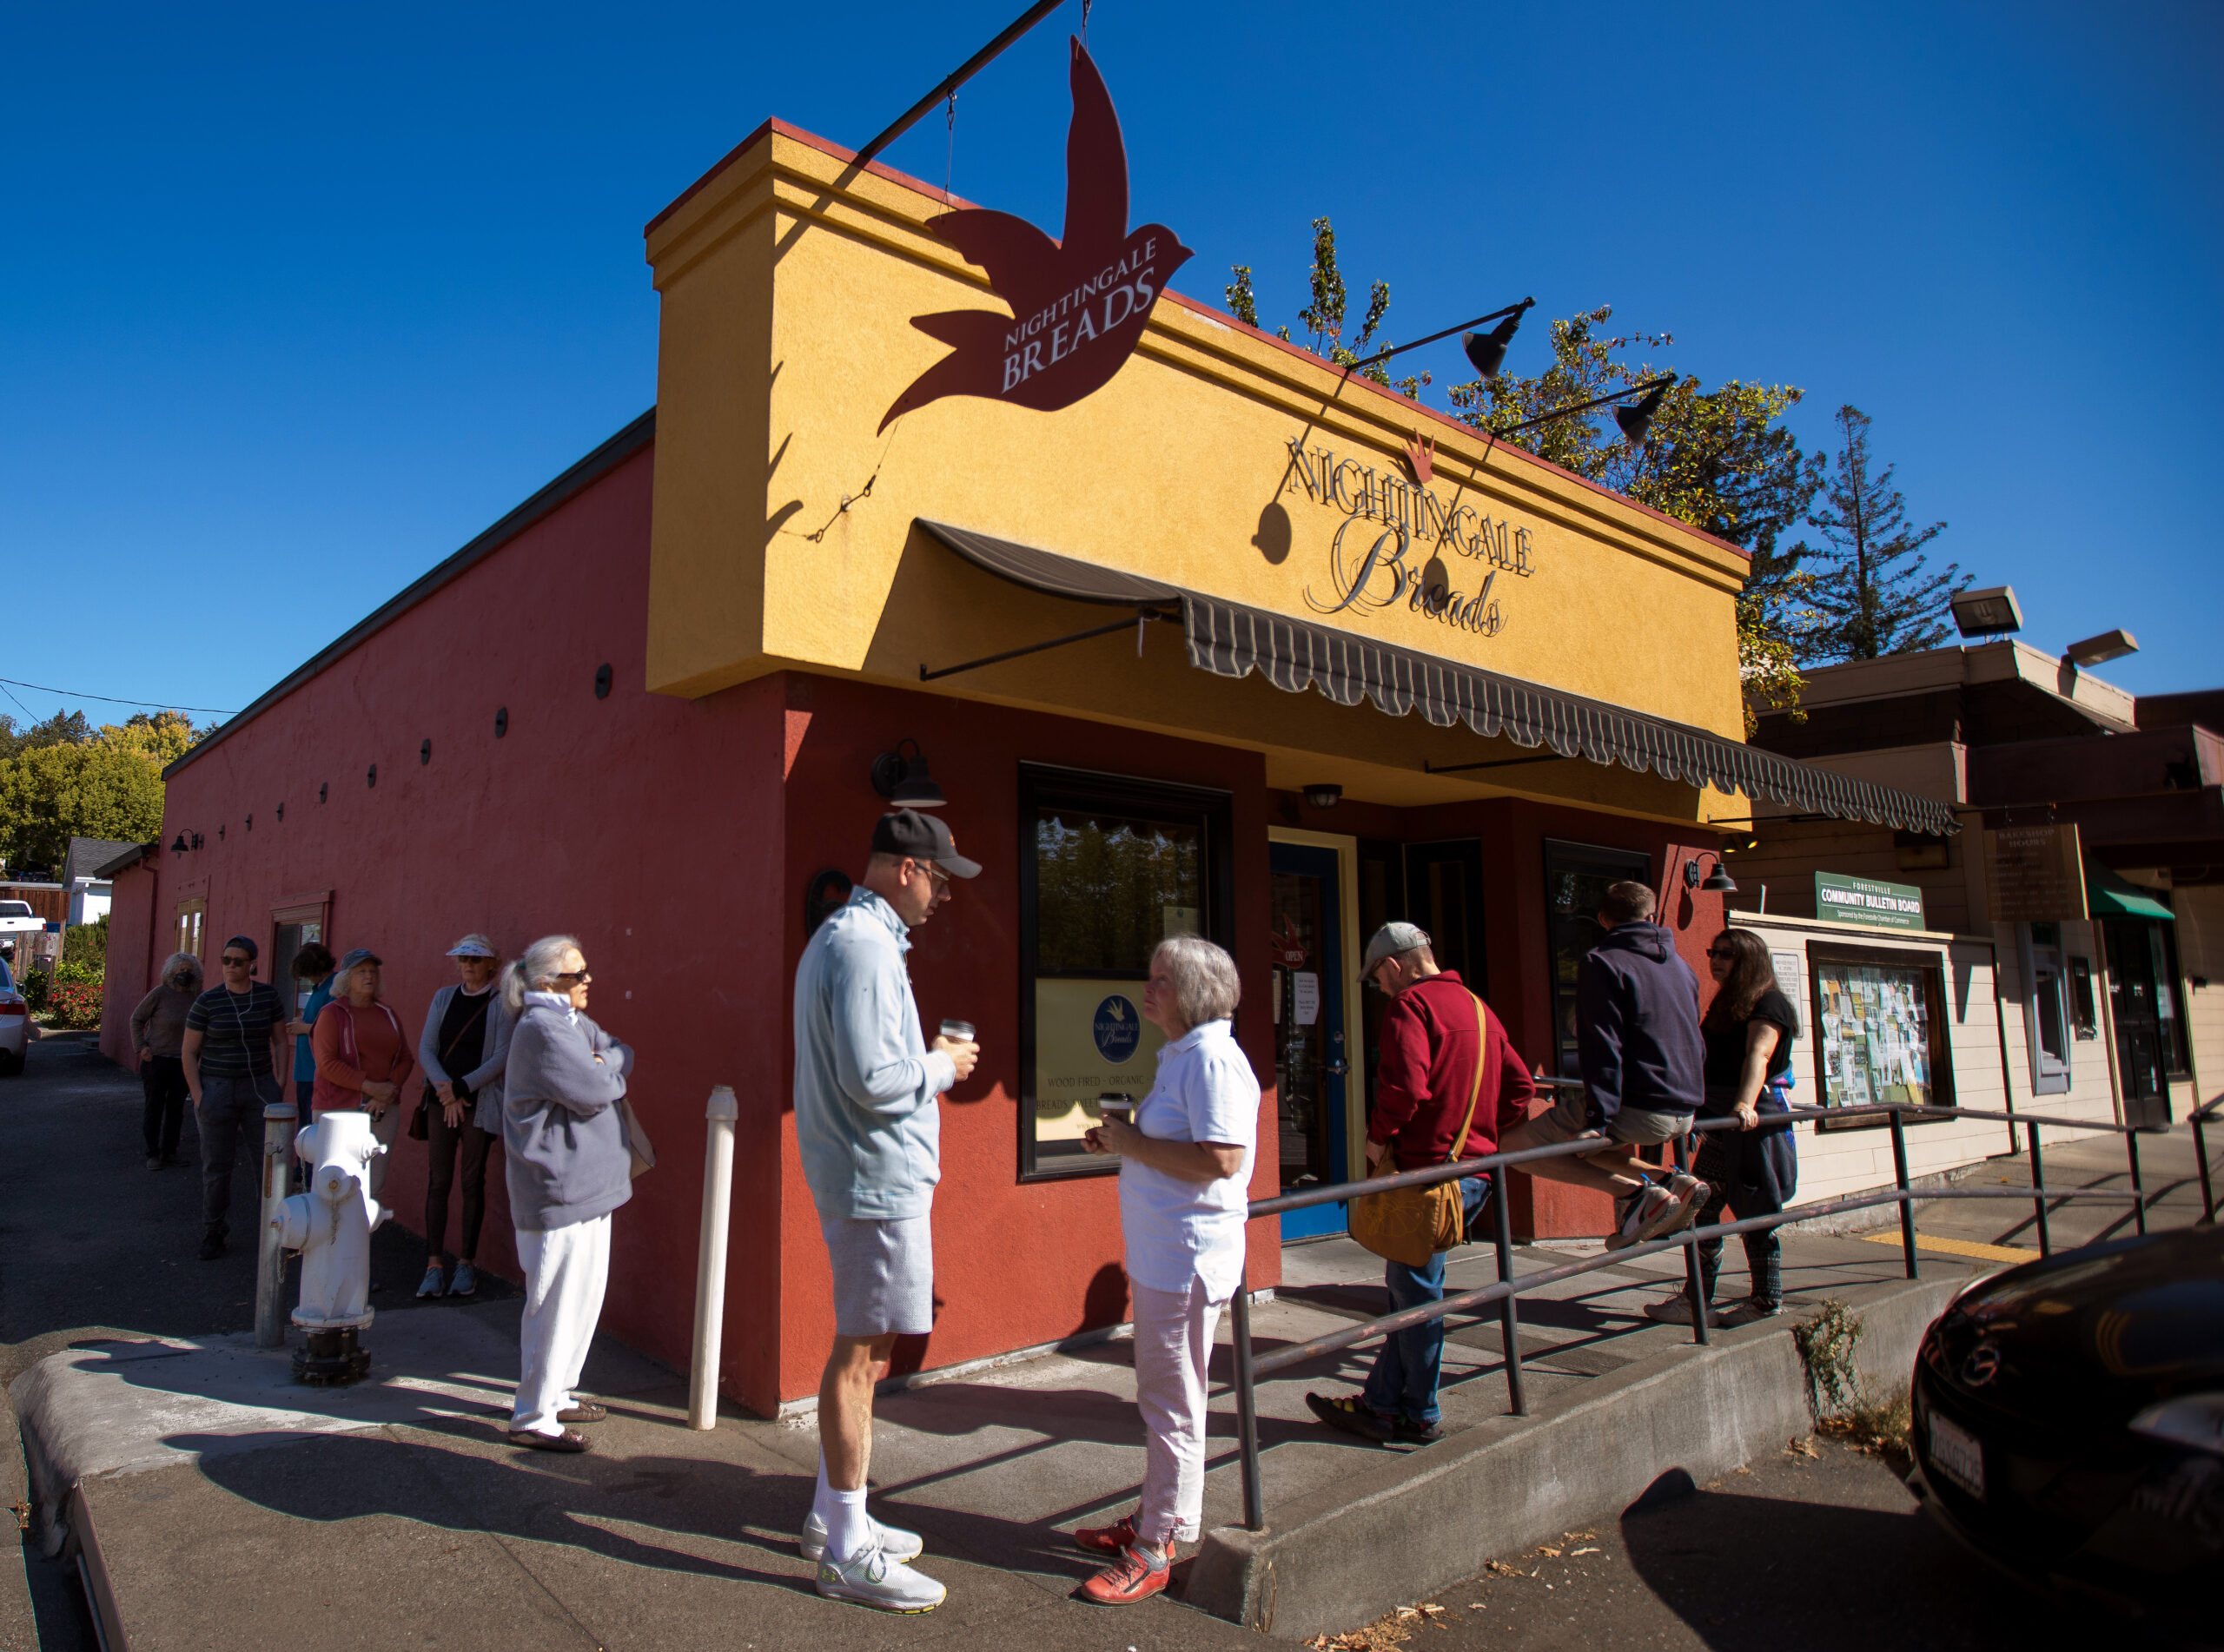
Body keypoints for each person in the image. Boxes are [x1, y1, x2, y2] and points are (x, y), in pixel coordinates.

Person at [791, 809, 982, 1614]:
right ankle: (846, 1552)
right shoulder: (865, 947)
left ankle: (835, 1517)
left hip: (866, 1175)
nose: (942, 896)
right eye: (938, 879)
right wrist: (940, 1064)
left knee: (865, 1351)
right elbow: (875, 1079)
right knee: (862, 1359)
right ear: (905, 869)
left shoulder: (849, 940)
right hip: (876, 1181)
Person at [1069, 935, 1257, 1605]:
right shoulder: (1185, 1055)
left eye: (1160, 981)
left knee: (1172, 1402)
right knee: (1164, 1395)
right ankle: (1156, 1515)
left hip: (1186, 1260)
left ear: (1195, 992)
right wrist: (1123, 1143)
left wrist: (1130, 1142)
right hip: (1167, 1258)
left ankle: (1157, 1545)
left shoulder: (1210, 1060)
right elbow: (1180, 1148)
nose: (1147, 990)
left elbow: (1223, 1159)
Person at [1305, 923, 1536, 1448]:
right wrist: (1477, 1130)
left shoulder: (1411, 1007)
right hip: (1473, 1175)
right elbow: (1521, 1086)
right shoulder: (1481, 1009)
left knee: (1416, 1299)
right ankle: (1383, 1403)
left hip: (1427, 1178)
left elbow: (1406, 1087)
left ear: (1395, 966)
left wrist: (1376, 1139)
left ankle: (1420, 1413)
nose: (1381, 990)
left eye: (1378, 979)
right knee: (1411, 1292)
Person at [1499, 881, 1706, 1249]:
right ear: (1652, 916)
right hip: (1685, 1110)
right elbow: (1695, 1039)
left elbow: (1601, 1046)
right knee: (1591, 1150)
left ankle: (1636, 1196)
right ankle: (1669, 1180)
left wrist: (1599, 1117)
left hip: (1638, 1106)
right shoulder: (1682, 968)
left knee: (1512, 1149)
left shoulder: (1602, 963)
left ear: (1602, 918)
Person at [501, 934, 634, 1453]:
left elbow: (621, 1050)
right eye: (577, 974)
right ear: (545, 983)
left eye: (586, 971)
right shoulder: (542, 1028)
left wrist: (607, 1062)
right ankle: (533, 1415)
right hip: (557, 1190)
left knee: (581, 1299)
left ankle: (558, 1394)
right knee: (552, 1302)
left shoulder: (572, 1023)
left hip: (591, 1187)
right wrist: (606, 1070)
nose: (588, 981)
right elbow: (592, 1090)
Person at [1648, 928, 1801, 1330]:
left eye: (1727, 954)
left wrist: (1743, 1105)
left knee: (1757, 1211)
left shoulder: (1769, 1003)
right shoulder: (1727, 1003)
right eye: (1713, 951)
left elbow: (1760, 1054)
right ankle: (1697, 1298)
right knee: (1702, 1205)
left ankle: (1766, 1300)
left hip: (1752, 1124)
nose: (1716, 959)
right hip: (1719, 1123)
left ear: (1749, 959)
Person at [181, 936, 292, 1259]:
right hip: (216, 1088)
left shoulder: (268, 996)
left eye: (238, 961)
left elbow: (281, 1042)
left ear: (252, 964)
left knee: (271, 1163)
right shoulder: (208, 1001)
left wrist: (280, 1082)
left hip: (259, 1087)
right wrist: (199, 1096)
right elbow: (188, 1052)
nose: (231, 966)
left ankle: (277, 1230)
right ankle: (213, 1230)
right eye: (226, 960)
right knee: (217, 1166)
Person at [416, 935, 513, 1299]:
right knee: (438, 1181)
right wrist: (446, 1089)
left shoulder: (501, 1004)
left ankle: (466, 1264)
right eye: (463, 959)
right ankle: (433, 1263)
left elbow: (501, 1056)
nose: (468, 965)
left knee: (472, 1181)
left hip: (479, 1102)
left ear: (491, 964)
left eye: (475, 959)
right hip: (441, 1101)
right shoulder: (443, 998)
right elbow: (427, 1048)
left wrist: (462, 1089)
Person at [311, 948, 414, 1206]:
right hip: (338, 1108)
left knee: (371, 1187)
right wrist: (369, 1086)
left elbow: (405, 1058)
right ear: (346, 978)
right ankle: (328, 1246)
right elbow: (327, 1064)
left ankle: (362, 1244)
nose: (369, 976)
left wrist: (387, 1091)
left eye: (372, 971)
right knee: (334, 1183)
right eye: (361, 972)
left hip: (381, 1110)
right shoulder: (331, 1014)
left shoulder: (387, 1013)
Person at [131, 952, 202, 1171]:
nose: (185, 974)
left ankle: (170, 1151)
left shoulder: (196, 999)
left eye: (189, 971)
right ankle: (153, 1153)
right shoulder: (160, 994)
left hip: (182, 1063)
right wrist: (141, 1047)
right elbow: (137, 1019)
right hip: (157, 1060)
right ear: (172, 972)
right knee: (154, 1107)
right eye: (181, 970)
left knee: (176, 1109)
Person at [286, 942, 338, 1125]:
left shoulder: (335, 988)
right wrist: (303, 1024)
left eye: (308, 973)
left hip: (318, 1071)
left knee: (312, 1127)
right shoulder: (319, 989)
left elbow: (338, 1028)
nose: (307, 978)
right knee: (305, 1125)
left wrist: (303, 1028)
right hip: (306, 1068)